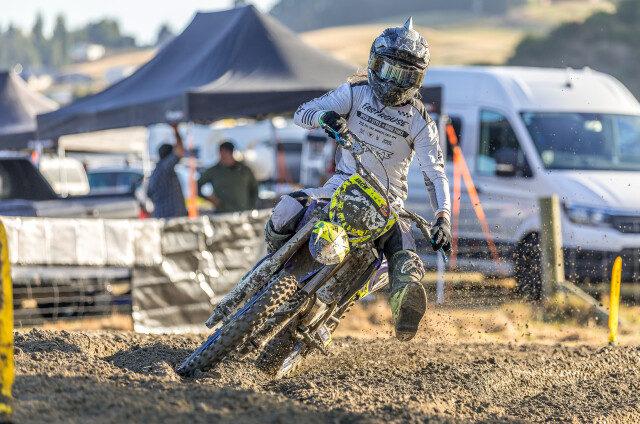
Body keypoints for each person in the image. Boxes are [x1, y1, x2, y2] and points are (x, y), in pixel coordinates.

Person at [264, 18, 452, 342]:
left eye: (404, 75)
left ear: (417, 79)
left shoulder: (421, 121)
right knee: (286, 210)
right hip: (340, 188)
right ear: (374, 64)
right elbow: (301, 113)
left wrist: (443, 218)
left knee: (405, 250)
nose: (394, 81)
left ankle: (405, 306)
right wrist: (324, 116)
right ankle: (272, 268)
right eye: (389, 70)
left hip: (387, 206)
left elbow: (435, 173)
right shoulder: (355, 92)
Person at [197, 141, 258, 213]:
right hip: (222, 213)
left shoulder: (244, 170)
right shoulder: (214, 171)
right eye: (221, 154)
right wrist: (209, 198)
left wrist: (251, 206)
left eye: (225, 154)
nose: (222, 157)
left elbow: (254, 188)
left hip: (243, 212)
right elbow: (196, 185)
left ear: (231, 154)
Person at [147, 124, 188, 218]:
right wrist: (176, 130)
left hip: (164, 217)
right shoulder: (164, 168)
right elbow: (179, 152)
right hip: (170, 219)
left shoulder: (158, 171)